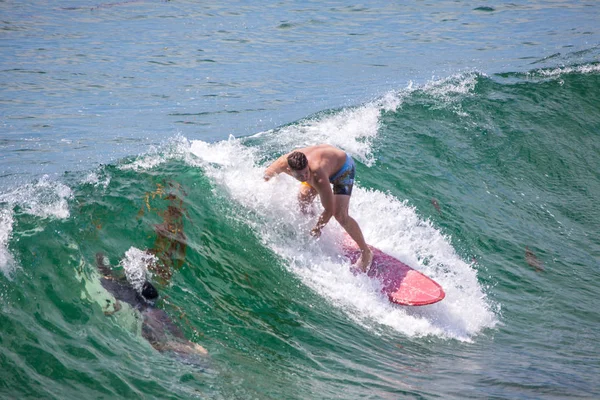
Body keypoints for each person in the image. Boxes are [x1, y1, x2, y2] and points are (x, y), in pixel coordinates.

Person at [263, 144, 373, 271]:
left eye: (305, 173)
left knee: (340, 215)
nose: (304, 177)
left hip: (343, 169)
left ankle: (366, 252)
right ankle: (310, 223)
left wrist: (317, 228)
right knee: (303, 197)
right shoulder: (282, 163)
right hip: (326, 164)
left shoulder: (317, 176)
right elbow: (266, 175)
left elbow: (329, 209)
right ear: (289, 170)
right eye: (300, 176)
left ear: (307, 166)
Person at [95, 252, 208, 356]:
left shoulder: (145, 312)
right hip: (138, 307)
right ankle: (186, 347)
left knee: (107, 277)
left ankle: (100, 260)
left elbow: (156, 343)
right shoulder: (159, 313)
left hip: (130, 300)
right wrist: (188, 343)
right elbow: (174, 331)